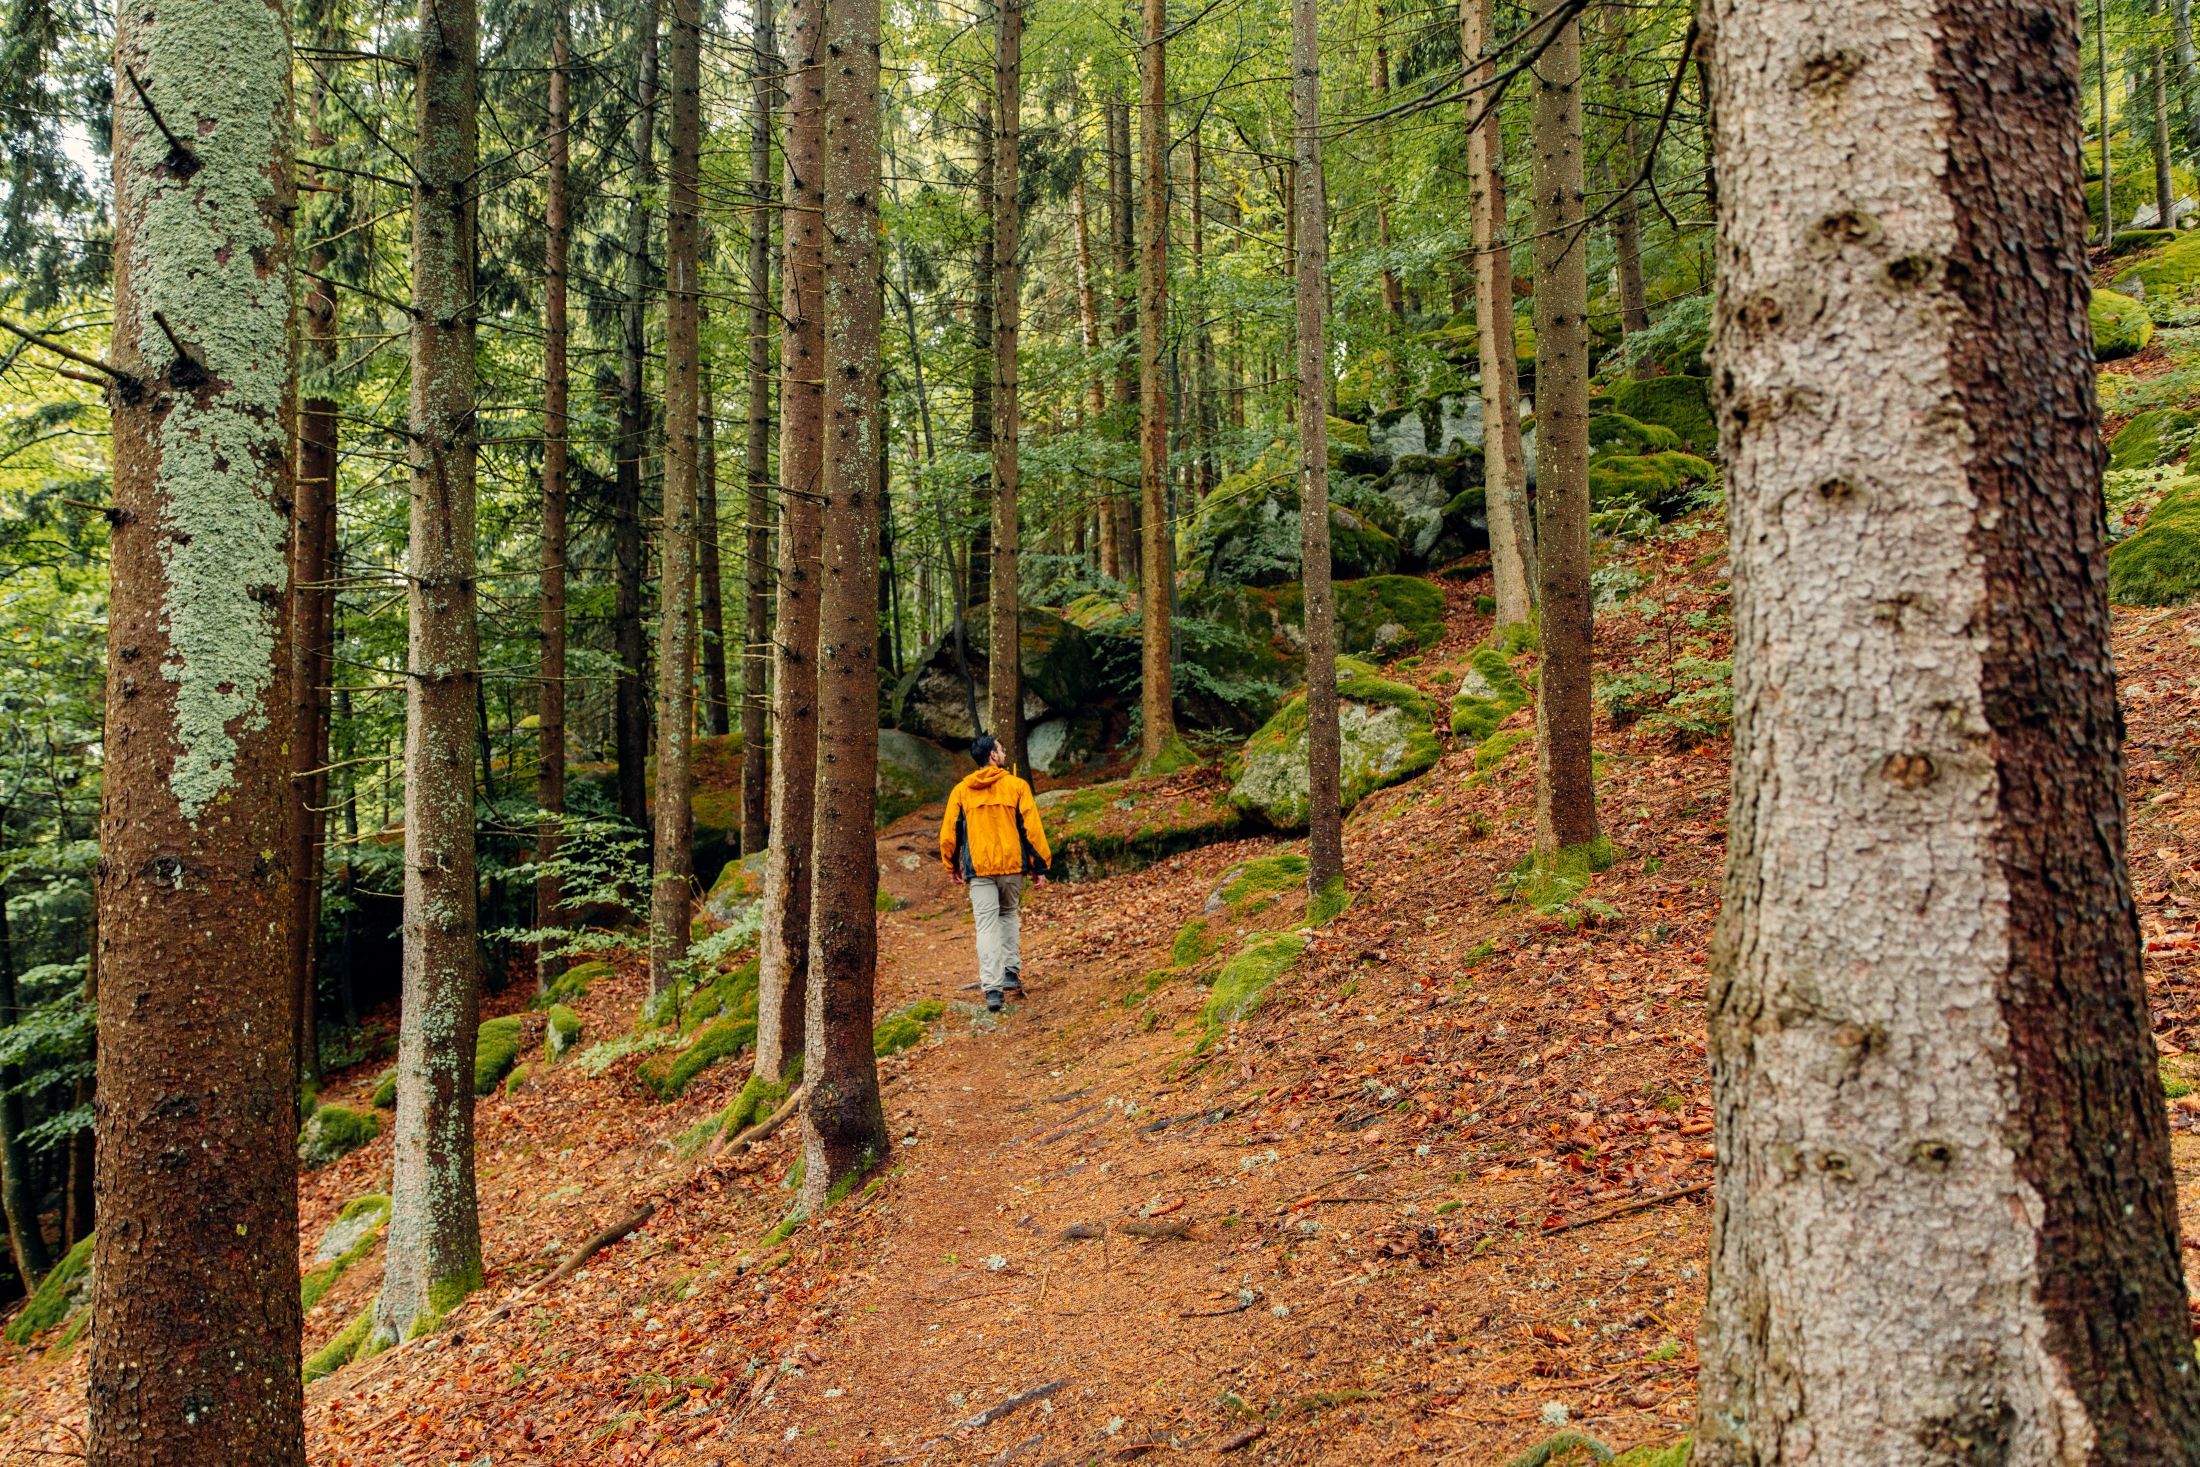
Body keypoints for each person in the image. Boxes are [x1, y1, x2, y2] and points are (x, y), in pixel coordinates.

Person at [939, 733, 1052, 1012]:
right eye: (1000, 750)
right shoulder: (1016, 786)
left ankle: (992, 989)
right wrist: (1040, 865)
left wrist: (951, 864)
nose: (1003, 754)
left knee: (986, 925)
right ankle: (1011, 973)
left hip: (979, 870)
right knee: (1008, 914)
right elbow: (1032, 829)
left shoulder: (962, 791)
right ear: (992, 755)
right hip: (1012, 866)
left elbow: (949, 834)